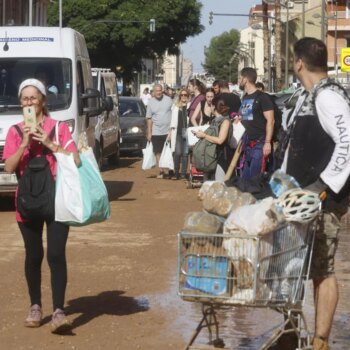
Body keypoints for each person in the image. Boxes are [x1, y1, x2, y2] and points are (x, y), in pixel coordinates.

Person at [277, 37, 350, 350]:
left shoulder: (328, 97)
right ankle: (291, 332)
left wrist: (322, 186)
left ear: (298, 63)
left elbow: (348, 142)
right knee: (288, 266)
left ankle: (320, 340)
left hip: (322, 201)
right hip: (297, 199)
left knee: (322, 269)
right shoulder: (306, 96)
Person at [2, 78, 80, 334]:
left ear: (43, 101)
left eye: (33, 98)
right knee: (33, 255)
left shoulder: (58, 128)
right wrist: (24, 142)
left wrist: (49, 142)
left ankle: (59, 310)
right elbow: (10, 167)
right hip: (27, 201)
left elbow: (76, 160)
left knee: (56, 255)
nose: (28, 102)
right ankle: (35, 306)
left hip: (57, 199)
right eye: (24, 99)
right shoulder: (14, 131)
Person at [238, 67, 275, 179]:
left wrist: (267, 142)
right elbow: (245, 116)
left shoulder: (263, 97)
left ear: (245, 79)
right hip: (247, 143)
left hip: (260, 143)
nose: (239, 81)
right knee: (245, 179)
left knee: (255, 180)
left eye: (240, 78)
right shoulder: (245, 97)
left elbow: (271, 120)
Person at [194, 96, 233, 181]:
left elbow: (220, 140)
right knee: (208, 182)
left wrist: (204, 135)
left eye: (211, 105)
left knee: (219, 183)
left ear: (214, 107)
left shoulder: (225, 121)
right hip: (211, 155)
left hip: (222, 156)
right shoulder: (215, 120)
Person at [146, 83, 173, 179]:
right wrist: (149, 132)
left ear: (162, 91)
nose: (158, 92)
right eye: (156, 91)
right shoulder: (150, 102)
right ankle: (162, 170)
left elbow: (174, 114)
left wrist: (172, 129)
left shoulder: (169, 100)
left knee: (169, 151)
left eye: (160, 90)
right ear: (153, 92)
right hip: (156, 131)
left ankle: (170, 169)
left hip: (168, 131)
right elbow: (149, 118)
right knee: (158, 152)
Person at [169, 88, 190, 179]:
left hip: (187, 132)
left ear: (188, 96)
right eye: (182, 95)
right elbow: (172, 121)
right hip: (177, 132)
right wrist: (169, 132)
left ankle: (183, 173)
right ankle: (176, 172)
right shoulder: (175, 107)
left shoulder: (190, 106)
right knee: (177, 153)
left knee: (185, 154)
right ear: (179, 96)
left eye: (185, 95)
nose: (183, 96)